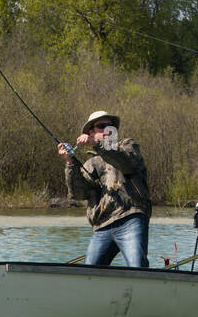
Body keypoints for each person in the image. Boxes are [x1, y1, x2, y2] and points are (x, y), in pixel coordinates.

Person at [59, 110, 152, 267]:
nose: (108, 129)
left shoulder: (128, 146)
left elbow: (127, 164)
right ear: (91, 132)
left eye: (111, 126)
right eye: (102, 126)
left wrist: (97, 145)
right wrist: (70, 162)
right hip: (102, 225)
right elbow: (79, 193)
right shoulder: (93, 163)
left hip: (131, 217)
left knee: (137, 266)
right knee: (90, 272)